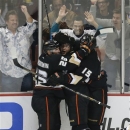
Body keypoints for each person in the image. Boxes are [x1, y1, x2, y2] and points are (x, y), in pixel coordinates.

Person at [47, 32, 108, 130]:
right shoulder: (81, 50)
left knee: (94, 125)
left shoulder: (91, 58)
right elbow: (72, 44)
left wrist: (63, 78)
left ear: (91, 47)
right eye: (82, 45)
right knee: (80, 125)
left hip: (97, 90)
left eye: (86, 46)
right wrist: (62, 37)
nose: (82, 47)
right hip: (85, 91)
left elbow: (80, 76)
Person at [31, 38, 95, 130]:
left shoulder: (43, 57)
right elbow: (73, 62)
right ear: (48, 51)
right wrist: (84, 49)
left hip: (45, 98)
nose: (59, 51)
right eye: (56, 49)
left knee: (55, 126)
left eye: (58, 48)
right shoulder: (54, 58)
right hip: (44, 98)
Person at [84, 9, 130, 91]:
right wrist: (93, 5)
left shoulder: (128, 27)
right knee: (110, 83)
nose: (114, 20)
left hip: (124, 58)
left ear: (124, 19)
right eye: (113, 17)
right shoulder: (109, 24)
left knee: (126, 83)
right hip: (110, 58)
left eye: (117, 18)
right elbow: (94, 19)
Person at [0, 5, 37, 92]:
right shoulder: (1, 33)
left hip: (25, 73)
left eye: (16, 20)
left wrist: (25, 12)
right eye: (12, 20)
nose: (15, 22)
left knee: (26, 100)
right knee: (9, 100)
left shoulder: (24, 31)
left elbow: (32, 25)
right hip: (8, 75)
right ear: (6, 22)